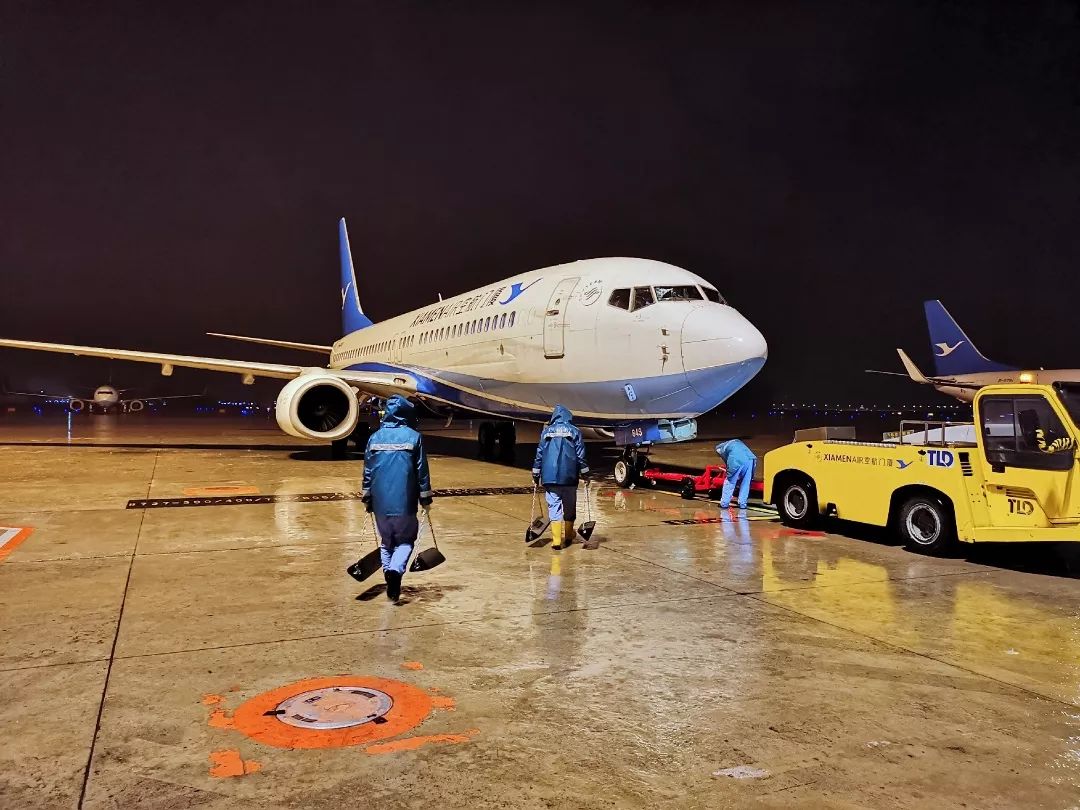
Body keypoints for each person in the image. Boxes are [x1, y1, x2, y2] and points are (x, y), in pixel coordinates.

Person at [361, 395, 433, 602]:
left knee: (386, 543)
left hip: (380, 503)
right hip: (405, 502)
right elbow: (422, 472)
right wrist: (425, 498)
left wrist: (367, 496)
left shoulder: (374, 438)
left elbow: (368, 471)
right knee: (405, 542)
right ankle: (395, 572)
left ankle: (389, 578)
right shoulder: (414, 437)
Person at [532, 404, 589, 550]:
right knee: (569, 506)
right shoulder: (575, 431)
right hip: (569, 476)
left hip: (550, 477)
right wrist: (585, 473)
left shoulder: (546, 432)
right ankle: (569, 535)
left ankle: (556, 541)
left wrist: (536, 474)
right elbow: (580, 455)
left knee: (554, 506)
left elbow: (539, 454)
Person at [715, 438, 757, 510]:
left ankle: (724, 503)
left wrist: (730, 473)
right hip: (750, 459)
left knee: (730, 482)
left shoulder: (721, 449)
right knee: (746, 483)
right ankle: (743, 504)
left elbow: (730, 463)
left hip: (737, 460)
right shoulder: (733, 442)